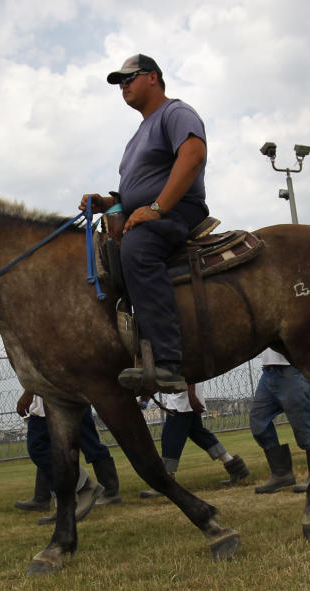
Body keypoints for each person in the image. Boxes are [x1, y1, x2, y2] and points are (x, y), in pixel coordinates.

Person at [80, 54, 208, 394]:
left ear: (153, 77)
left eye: (129, 78)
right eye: (119, 82)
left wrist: (157, 207)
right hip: (147, 212)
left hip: (178, 209)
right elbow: (130, 192)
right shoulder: (137, 136)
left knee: (137, 250)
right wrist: (109, 203)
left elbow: (193, 155)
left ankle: (167, 360)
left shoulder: (175, 112)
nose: (123, 86)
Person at [14, 390, 114, 526]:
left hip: (55, 395)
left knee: (42, 447)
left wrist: (29, 391)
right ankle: (60, 504)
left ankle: (90, 487)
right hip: (55, 396)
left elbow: (43, 368)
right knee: (46, 449)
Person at [139, 385, 248, 497]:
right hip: (184, 393)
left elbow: (186, 370)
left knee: (171, 436)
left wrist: (191, 395)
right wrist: (146, 397)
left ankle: (165, 482)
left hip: (184, 395)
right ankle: (235, 467)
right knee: (198, 433)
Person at [248, 349, 310, 494]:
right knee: (258, 420)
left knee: (302, 422)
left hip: (291, 369)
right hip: (268, 371)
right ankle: (282, 474)